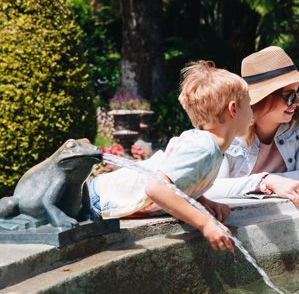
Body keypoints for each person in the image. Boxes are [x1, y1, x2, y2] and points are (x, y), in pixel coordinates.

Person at [86, 61, 253, 253]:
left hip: (102, 194)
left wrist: (201, 200)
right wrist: (205, 223)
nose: (252, 111)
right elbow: (156, 188)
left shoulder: (208, 146)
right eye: (249, 104)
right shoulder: (204, 148)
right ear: (233, 109)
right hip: (99, 199)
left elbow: (180, 183)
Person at [205, 46, 299, 211]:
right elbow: (211, 188)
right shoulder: (227, 127)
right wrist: (266, 182)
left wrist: (265, 183)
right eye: (289, 96)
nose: (297, 102)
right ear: (262, 99)